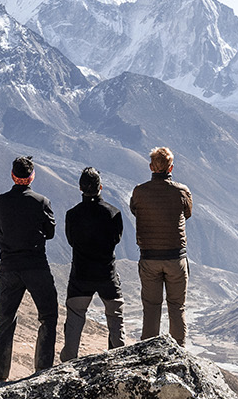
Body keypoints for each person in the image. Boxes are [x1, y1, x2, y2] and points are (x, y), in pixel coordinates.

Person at [0, 154, 58, 381]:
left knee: (6, 319)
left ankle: (1, 376)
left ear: (13, 175)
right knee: (48, 316)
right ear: (31, 177)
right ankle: (42, 371)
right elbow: (50, 232)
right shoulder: (41, 202)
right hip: (36, 266)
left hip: (9, 267)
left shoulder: (0, 201)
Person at [130, 146, 193, 345]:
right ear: (171, 168)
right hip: (176, 257)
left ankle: (148, 349)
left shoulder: (139, 192)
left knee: (151, 306)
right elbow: (188, 213)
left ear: (151, 167)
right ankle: (179, 350)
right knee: (176, 306)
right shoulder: (181, 191)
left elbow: (135, 211)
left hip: (149, 258)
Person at [61, 166, 125, 360]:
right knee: (115, 317)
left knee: (75, 317)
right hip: (107, 274)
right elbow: (116, 239)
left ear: (80, 189)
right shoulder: (114, 213)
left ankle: (68, 362)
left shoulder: (72, 215)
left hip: (81, 275)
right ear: (101, 187)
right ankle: (121, 360)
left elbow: (71, 240)